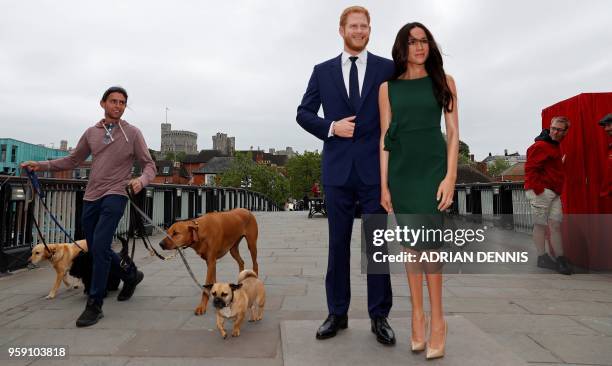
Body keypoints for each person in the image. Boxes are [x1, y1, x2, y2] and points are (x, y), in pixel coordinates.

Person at [296, 6, 396, 345]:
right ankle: (337, 313)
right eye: (353, 26)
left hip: (375, 171)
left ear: (370, 30)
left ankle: (379, 316)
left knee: (377, 246)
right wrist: (331, 127)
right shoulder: (322, 71)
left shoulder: (387, 68)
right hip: (337, 170)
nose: (359, 30)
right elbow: (303, 113)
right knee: (337, 245)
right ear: (341, 30)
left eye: (364, 26)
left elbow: (400, 113)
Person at [21, 86, 157, 327]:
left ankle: (95, 304)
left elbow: (149, 165)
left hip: (116, 193)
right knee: (96, 249)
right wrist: (40, 166)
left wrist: (141, 180)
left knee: (101, 245)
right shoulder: (91, 133)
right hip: (91, 196)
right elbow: (72, 160)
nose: (118, 105)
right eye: (113, 101)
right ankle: (130, 274)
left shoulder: (133, 133)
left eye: (122, 102)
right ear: (103, 103)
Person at [379, 22, 458, 359]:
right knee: (410, 246)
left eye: (424, 41)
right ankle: (416, 315)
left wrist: (450, 177)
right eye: (412, 42)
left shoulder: (445, 81)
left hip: (432, 170)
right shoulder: (388, 88)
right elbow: (385, 140)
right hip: (401, 172)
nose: (419, 47)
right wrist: (384, 183)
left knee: (431, 246)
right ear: (403, 47)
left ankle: (438, 321)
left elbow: (453, 133)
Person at [524, 116, 572, 275]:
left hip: (554, 192)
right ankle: (542, 257)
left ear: (566, 131)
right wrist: (539, 190)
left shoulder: (554, 146)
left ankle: (560, 258)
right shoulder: (540, 145)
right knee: (541, 225)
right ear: (549, 127)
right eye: (553, 128)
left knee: (555, 225)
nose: (555, 132)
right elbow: (530, 169)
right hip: (542, 191)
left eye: (559, 129)